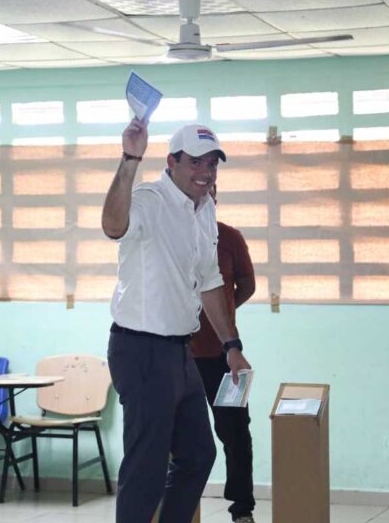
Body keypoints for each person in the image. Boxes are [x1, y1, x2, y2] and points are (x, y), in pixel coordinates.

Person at [102, 118, 252, 523]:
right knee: (147, 467)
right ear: (171, 162)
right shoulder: (150, 200)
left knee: (198, 454)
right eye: (195, 163)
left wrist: (231, 347)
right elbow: (113, 226)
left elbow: (210, 282)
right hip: (141, 349)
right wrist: (130, 158)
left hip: (179, 352)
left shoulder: (204, 209)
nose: (205, 173)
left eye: (212, 165)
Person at [191, 184, 257, 523]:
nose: (206, 196)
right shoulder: (172, 236)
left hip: (226, 356)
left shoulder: (230, 237)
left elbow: (247, 285)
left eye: (211, 191)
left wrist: (224, 315)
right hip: (181, 357)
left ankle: (242, 509)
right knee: (181, 435)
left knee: (236, 432)